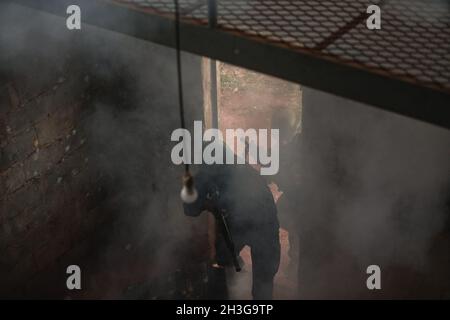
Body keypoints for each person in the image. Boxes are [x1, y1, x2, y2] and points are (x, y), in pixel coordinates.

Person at [182, 144, 280, 300]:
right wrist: (211, 205)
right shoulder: (240, 169)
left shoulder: (210, 171)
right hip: (248, 222)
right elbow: (190, 207)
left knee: (260, 277)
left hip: (257, 222)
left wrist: (208, 205)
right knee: (226, 263)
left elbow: (190, 207)